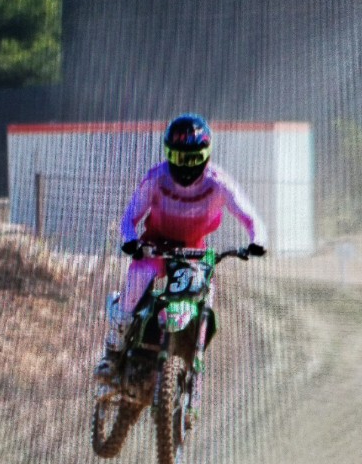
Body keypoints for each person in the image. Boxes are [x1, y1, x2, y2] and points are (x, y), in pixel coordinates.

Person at [95, 113, 266, 378]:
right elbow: (129, 216)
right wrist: (131, 241)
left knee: (206, 294)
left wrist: (257, 241)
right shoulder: (157, 178)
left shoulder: (218, 182)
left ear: (206, 155)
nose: (185, 168)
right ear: (168, 154)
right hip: (154, 245)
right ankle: (113, 351)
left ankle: (194, 357)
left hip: (194, 251)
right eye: (178, 158)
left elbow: (249, 215)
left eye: (193, 159)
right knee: (139, 278)